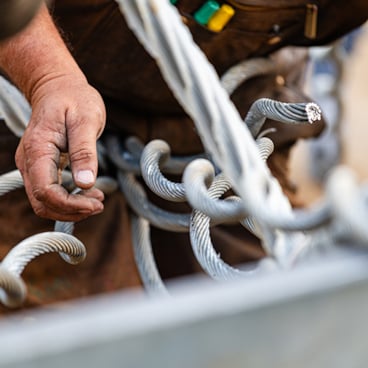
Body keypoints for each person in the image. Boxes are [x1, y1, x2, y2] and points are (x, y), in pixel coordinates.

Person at [0, 0, 367, 312]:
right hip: (30, 100)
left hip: (228, 114)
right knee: (66, 332)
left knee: (265, 319)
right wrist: (47, 78)